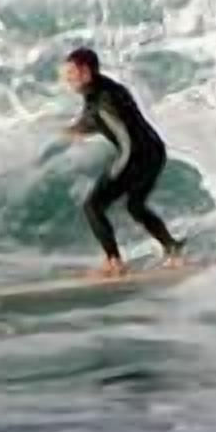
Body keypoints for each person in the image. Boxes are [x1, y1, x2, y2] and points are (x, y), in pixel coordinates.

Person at [57, 45, 186, 278]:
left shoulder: (102, 97)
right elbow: (100, 119)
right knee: (135, 206)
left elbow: (112, 123)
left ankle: (113, 262)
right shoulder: (106, 89)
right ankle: (172, 248)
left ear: (85, 71)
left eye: (70, 74)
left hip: (135, 156)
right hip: (155, 152)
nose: (67, 79)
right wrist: (76, 128)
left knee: (93, 206)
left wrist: (76, 129)